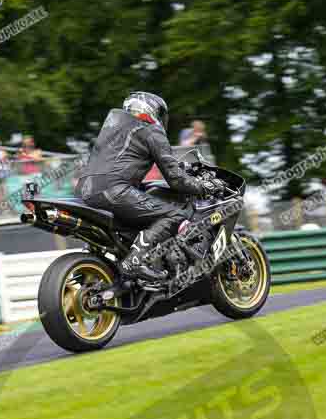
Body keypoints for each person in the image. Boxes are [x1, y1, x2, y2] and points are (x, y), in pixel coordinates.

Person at [75, 92, 225, 283]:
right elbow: (176, 179)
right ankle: (134, 261)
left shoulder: (112, 129)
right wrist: (204, 187)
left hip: (85, 191)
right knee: (174, 214)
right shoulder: (151, 131)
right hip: (115, 191)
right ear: (151, 110)